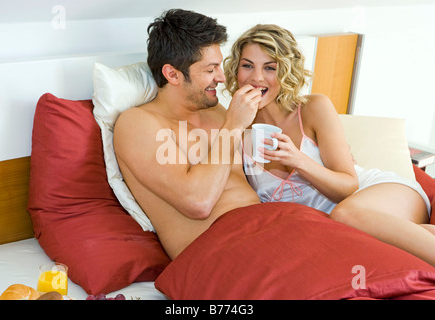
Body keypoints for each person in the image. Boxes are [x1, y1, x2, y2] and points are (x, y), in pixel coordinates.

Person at [223, 24, 435, 266]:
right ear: (235, 69)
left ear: (285, 71)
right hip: (334, 226)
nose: (256, 77)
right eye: (247, 65)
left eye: (270, 67)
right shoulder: (234, 129)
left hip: (381, 193)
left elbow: (348, 186)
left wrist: (298, 160)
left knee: (345, 215)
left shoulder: (313, 108)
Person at [113, 9, 262, 260]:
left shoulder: (218, 113)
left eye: (220, 67)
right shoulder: (138, 124)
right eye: (210, 69)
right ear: (172, 74)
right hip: (216, 252)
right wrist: (233, 127)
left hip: (268, 228)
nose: (222, 78)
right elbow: (199, 203)